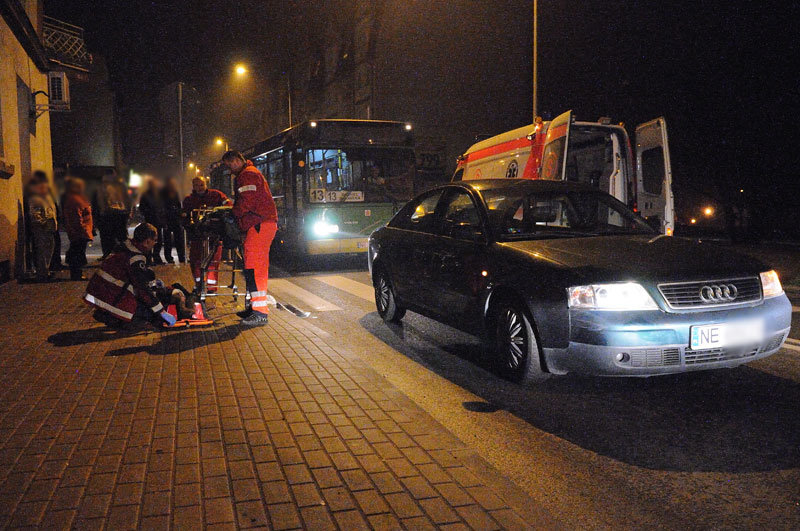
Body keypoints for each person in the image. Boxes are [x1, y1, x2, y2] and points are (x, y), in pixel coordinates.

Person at [84, 223, 178, 329]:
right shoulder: (135, 259)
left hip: (104, 292)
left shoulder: (127, 248)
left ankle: (109, 314)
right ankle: (116, 318)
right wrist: (161, 312)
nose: (155, 244)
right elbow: (142, 289)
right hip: (112, 296)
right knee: (149, 315)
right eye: (154, 240)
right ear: (147, 241)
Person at [222, 150, 278, 325]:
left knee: (254, 269)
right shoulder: (250, 173)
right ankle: (255, 308)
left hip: (258, 224)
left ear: (239, 161)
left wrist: (234, 213)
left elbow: (247, 201)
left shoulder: (247, 175)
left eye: (231, 164)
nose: (230, 168)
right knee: (255, 267)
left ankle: (260, 313)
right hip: (261, 224)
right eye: (228, 165)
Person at [182, 176, 230, 291]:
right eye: (196, 185)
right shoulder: (189, 200)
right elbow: (184, 215)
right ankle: (199, 285)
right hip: (197, 234)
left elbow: (228, 205)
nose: (199, 188)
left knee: (213, 261)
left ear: (206, 184)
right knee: (195, 260)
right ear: (193, 186)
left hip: (215, 234)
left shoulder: (216, 195)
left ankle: (211, 287)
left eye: (201, 185)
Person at [92, 169, 130, 258]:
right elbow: (127, 199)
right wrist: (128, 211)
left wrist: (98, 215)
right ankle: (123, 255)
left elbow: (98, 201)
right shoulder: (120, 186)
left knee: (107, 237)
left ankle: (108, 255)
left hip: (107, 214)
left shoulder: (101, 186)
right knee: (121, 237)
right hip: (120, 213)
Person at [27, 176, 58, 281]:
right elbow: (35, 213)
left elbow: (51, 211)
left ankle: (46, 270)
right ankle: (42, 273)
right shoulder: (35, 198)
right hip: (41, 228)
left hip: (50, 227)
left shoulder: (47, 197)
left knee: (49, 249)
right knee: (42, 250)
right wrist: (43, 223)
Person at [62, 177, 93, 280]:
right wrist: (83, 230)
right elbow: (76, 218)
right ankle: (76, 274)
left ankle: (77, 273)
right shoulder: (74, 199)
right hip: (79, 232)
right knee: (77, 253)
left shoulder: (77, 198)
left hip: (81, 230)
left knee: (78, 252)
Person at [137, 177, 166, 265]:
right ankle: (149, 259)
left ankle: (155, 258)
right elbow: (142, 207)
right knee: (150, 240)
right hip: (152, 220)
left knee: (157, 241)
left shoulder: (158, 194)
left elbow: (162, 207)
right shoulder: (147, 195)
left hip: (156, 220)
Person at [161, 177, 186, 264]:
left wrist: (179, 213)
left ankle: (181, 257)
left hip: (175, 219)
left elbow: (178, 205)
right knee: (167, 240)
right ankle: (169, 258)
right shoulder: (163, 193)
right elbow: (162, 206)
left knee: (179, 239)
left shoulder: (175, 192)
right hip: (168, 219)